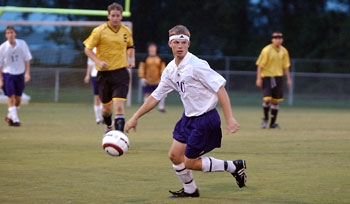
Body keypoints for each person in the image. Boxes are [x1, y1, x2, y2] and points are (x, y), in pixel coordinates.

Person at [125, 25, 247, 198]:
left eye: (183, 42)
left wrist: (230, 118)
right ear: (170, 44)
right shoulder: (170, 69)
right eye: (176, 42)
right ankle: (191, 190)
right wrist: (135, 117)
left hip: (205, 119)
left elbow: (220, 88)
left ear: (188, 44)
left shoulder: (197, 65)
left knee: (190, 162)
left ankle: (234, 167)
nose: (180, 45)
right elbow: (155, 96)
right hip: (188, 118)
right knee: (175, 156)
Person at [83, 2, 135, 133]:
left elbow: (130, 46)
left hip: (121, 73)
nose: (115, 18)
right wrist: (98, 61)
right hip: (104, 75)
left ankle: (119, 137)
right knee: (106, 110)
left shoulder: (125, 31)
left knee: (119, 106)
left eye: (118, 15)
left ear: (121, 16)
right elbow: (87, 49)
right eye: (113, 15)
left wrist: (131, 59)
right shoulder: (99, 31)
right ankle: (108, 126)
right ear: (108, 16)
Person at [255, 31, 291, 129]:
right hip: (267, 77)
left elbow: (286, 66)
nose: (278, 39)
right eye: (276, 37)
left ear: (282, 39)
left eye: (280, 37)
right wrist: (258, 78)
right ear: (272, 39)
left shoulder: (284, 51)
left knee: (275, 101)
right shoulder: (266, 50)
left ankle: (272, 123)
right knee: (267, 99)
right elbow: (260, 65)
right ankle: (265, 119)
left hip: (278, 77)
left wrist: (288, 79)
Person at [0, 26, 32, 127]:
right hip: (8, 74)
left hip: (20, 74)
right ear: (6, 35)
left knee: (18, 99)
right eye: (8, 33)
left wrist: (27, 73)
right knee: (11, 97)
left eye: (11, 32)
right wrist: (0, 79)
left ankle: (10, 116)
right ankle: (15, 120)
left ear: (15, 33)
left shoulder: (22, 44)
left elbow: (27, 59)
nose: (10, 34)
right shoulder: (2, 47)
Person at [138, 43, 166, 112]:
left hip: (157, 80)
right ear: (148, 49)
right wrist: (142, 77)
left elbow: (163, 69)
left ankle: (161, 107)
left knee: (161, 94)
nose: (152, 50)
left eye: (153, 48)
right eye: (151, 48)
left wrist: (162, 78)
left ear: (156, 49)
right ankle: (147, 108)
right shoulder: (145, 59)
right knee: (147, 94)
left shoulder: (159, 58)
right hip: (148, 80)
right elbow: (141, 68)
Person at [84, 48, 104, 124]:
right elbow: (90, 63)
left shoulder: (106, 46)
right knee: (97, 96)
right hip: (95, 75)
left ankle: (104, 117)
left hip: (104, 75)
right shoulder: (92, 49)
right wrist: (87, 75)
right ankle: (98, 118)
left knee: (104, 96)